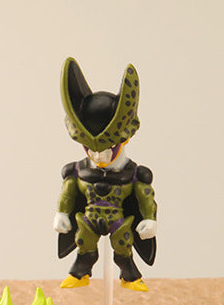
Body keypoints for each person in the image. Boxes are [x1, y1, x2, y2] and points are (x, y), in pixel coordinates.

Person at [54, 57, 157, 291]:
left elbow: (145, 197)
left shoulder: (133, 174)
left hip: (118, 219)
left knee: (122, 244)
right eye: (90, 149)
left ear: (124, 140)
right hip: (89, 218)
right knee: (84, 241)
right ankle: (80, 272)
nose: (98, 156)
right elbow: (68, 193)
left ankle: (130, 275)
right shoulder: (78, 171)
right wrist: (62, 213)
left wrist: (150, 218)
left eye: (107, 149)